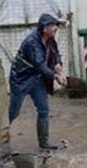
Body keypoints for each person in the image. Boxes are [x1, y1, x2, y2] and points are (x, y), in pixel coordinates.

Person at [8, 13, 66, 150]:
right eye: (52, 25)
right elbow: (40, 65)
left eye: (56, 25)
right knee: (13, 113)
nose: (56, 28)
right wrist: (55, 77)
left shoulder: (50, 39)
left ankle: (44, 143)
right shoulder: (31, 42)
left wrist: (58, 67)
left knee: (44, 110)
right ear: (44, 28)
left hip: (37, 78)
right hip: (21, 79)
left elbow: (55, 54)